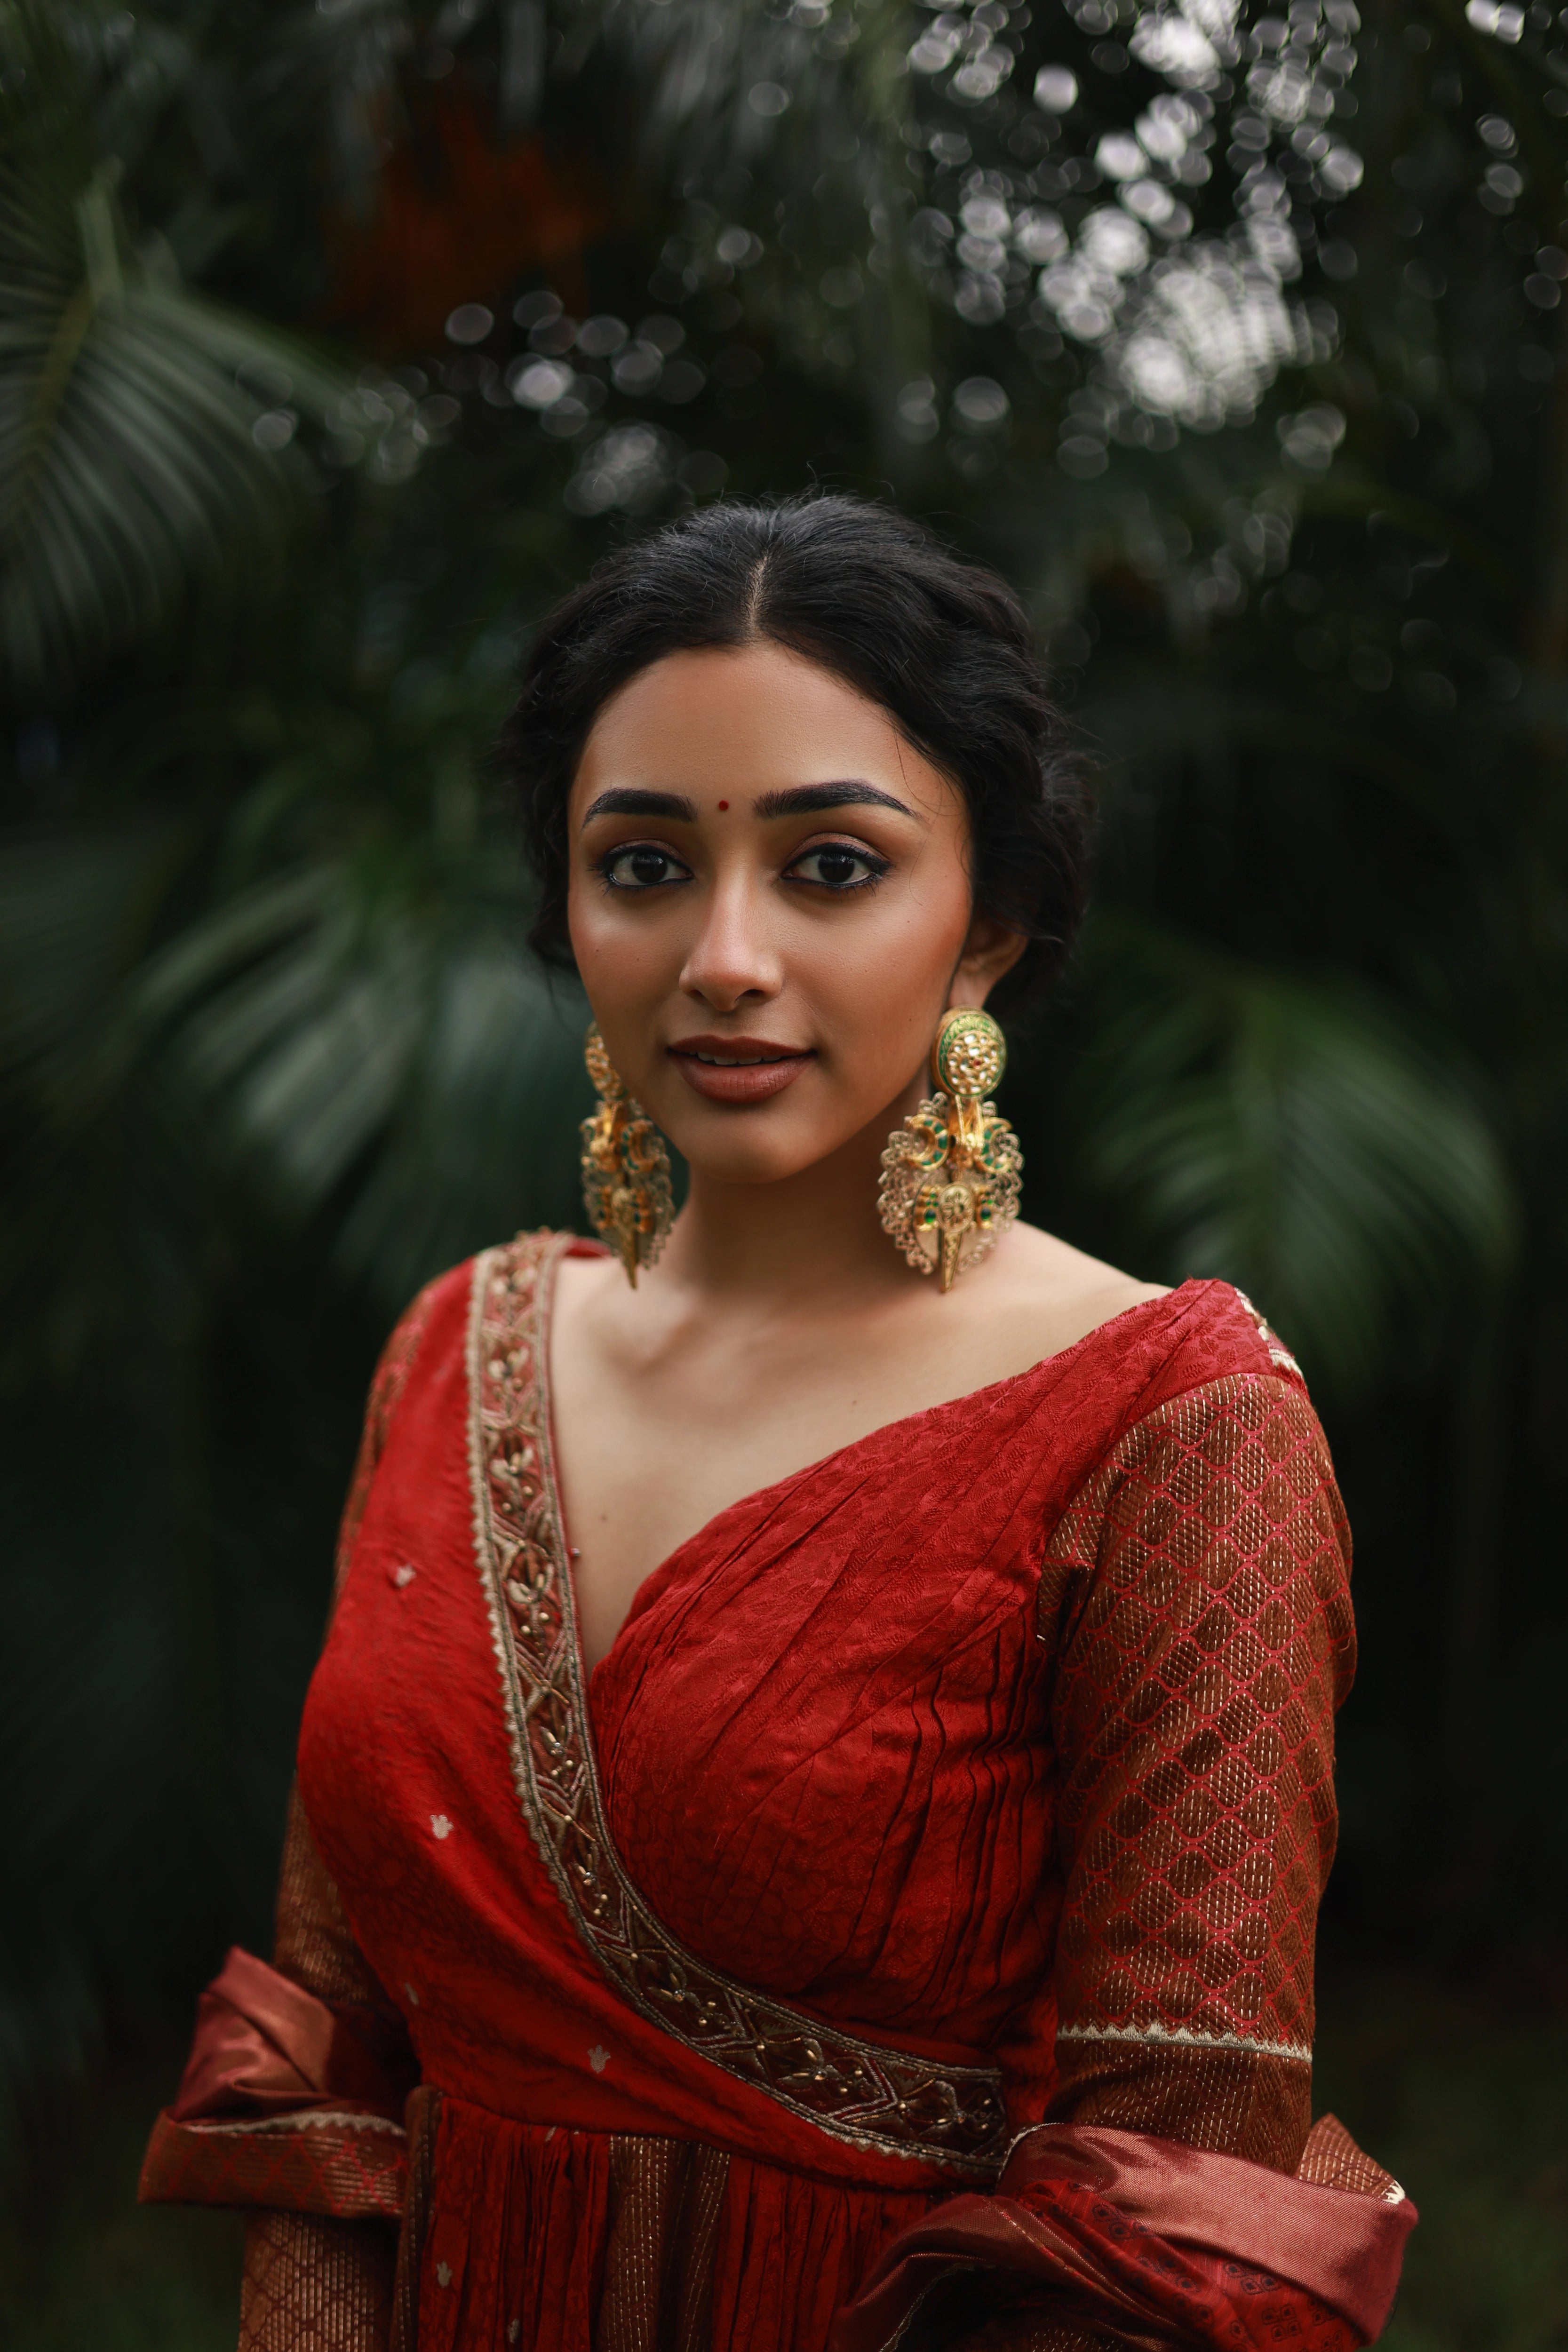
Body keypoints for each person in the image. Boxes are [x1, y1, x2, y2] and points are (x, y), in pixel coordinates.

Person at [140, 494, 1414, 2352]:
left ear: (990, 918)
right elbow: (322, 2058)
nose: (722, 954)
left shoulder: (1177, 1422)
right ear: (568, 907)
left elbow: (1171, 2225)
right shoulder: (453, 1343)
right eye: (643, 863)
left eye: (831, 866)